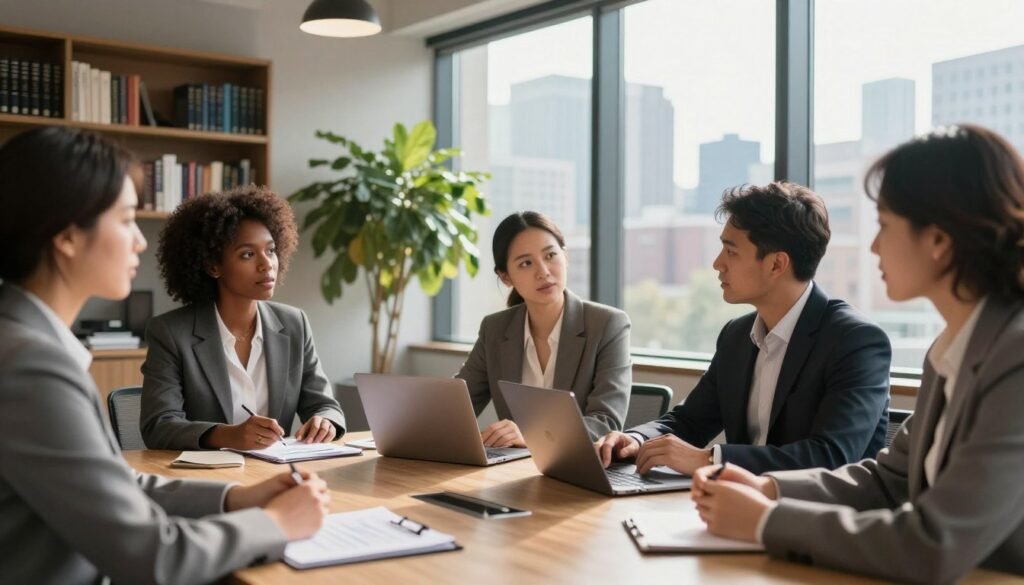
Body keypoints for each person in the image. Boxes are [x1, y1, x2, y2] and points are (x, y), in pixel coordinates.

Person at [691, 125, 1024, 583]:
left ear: (939, 240)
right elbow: (887, 480)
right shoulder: (949, 351)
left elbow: (933, 543)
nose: (873, 245)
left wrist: (764, 521)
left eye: (885, 225)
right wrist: (767, 488)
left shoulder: (1016, 357)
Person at [0, 126, 330, 584]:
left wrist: (235, 499)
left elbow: (116, 486)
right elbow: (154, 558)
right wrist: (275, 524)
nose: (139, 240)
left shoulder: (24, 343)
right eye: (125, 219)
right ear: (68, 237)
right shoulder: (29, 366)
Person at [596, 182, 892, 475]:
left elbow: (832, 456)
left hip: (821, 516)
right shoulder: (736, 336)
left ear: (776, 264)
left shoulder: (855, 341)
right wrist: (635, 439)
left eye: (731, 251)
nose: (717, 263)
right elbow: (690, 421)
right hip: (739, 506)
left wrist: (710, 459)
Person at [140, 185, 345, 450]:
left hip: (275, 473)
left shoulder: (295, 324)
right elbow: (159, 425)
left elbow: (325, 405)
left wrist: (324, 421)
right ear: (213, 265)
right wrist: (228, 435)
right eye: (248, 254)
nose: (266, 264)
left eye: (270, 250)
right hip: (206, 478)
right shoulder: (170, 332)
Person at [457, 211, 631, 446]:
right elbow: (457, 405)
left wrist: (531, 435)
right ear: (506, 277)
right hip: (515, 471)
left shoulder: (607, 325)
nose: (544, 272)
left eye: (550, 255)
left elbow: (605, 423)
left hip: (578, 472)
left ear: (565, 257)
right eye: (526, 263)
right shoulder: (495, 329)